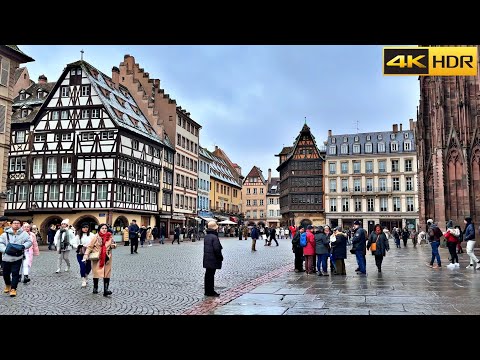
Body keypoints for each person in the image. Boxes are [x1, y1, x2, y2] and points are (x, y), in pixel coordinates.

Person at [0, 219, 32, 297]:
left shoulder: (24, 234)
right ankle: (8, 284)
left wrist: (23, 246)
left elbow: (29, 242)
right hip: (6, 257)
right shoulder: (5, 234)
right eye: (14, 223)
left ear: (20, 225)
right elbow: (0, 243)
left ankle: (13, 288)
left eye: (18, 223)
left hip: (17, 257)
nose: (16, 224)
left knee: (15, 273)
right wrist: (5, 250)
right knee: (5, 273)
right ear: (11, 224)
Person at [83, 223, 117, 296]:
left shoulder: (110, 237)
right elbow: (90, 247)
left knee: (107, 273)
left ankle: (106, 290)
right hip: (97, 257)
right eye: (102, 228)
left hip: (107, 257)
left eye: (105, 228)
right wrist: (86, 254)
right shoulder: (95, 237)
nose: (104, 230)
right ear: (99, 229)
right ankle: (95, 287)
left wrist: (113, 246)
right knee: (96, 273)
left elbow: (113, 245)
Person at [203, 221, 223, 297]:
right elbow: (217, 249)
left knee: (208, 275)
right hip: (213, 259)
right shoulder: (214, 237)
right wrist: (220, 257)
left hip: (207, 258)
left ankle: (207, 291)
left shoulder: (206, 236)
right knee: (211, 276)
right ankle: (211, 291)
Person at [71, 223, 94, 288]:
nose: (85, 229)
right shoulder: (78, 236)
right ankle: (83, 279)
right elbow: (72, 242)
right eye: (84, 227)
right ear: (81, 228)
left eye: (87, 227)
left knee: (89, 267)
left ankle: (86, 275)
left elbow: (95, 241)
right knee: (82, 265)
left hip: (89, 253)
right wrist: (78, 246)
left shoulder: (91, 235)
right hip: (80, 253)